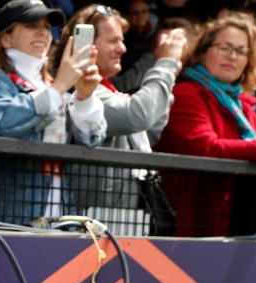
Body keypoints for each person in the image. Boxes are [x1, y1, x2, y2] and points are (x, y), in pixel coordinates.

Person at [0, 0, 106, 225]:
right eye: (31, 25)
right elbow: (0, 122)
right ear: (6, 37)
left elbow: (92, 139)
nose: (42, 33)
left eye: (47, 27)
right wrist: (58, 88)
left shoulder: (54, 88)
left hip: (59, 216)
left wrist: (84, 98)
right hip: (5, 220)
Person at [155, 12, 256, 236]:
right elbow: (206, 148)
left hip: (239, 227)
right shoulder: (186, 94)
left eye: (241, 51)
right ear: (203, 51)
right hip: (192, 228)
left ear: (248, 60)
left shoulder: (244, 107)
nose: (232, 57)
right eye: (224, 48)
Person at [54, 4, 184, 228]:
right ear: (84, 45)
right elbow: (137, 115)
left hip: (119, 222)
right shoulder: (79, 91)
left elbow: (151, 129)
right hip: (88, 228)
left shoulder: (110, 90)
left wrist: (165, 84)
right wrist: (165, 65)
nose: (122, 48)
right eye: (113, 41)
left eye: (122, 40)